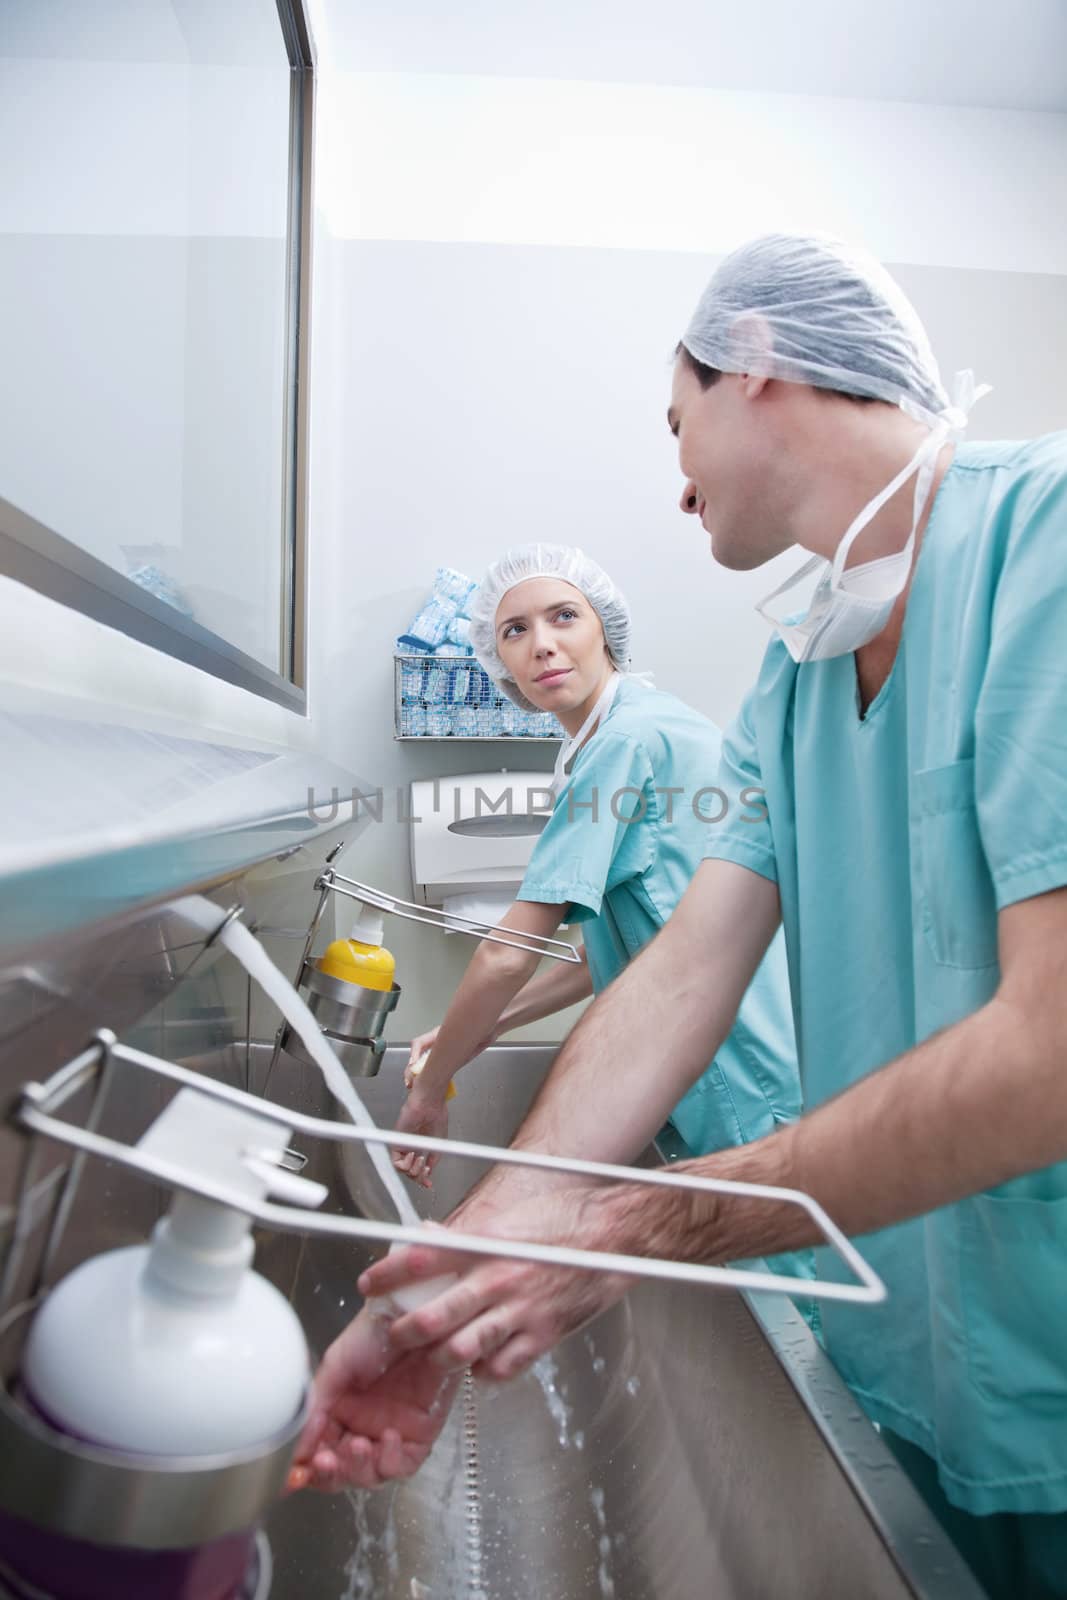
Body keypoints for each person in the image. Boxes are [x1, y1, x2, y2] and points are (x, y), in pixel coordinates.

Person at [291, 233, 1067, 1599]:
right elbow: (666, 975)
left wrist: (626, 1228)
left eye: (676, 419)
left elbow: (1047, 1047)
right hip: (906, 1357)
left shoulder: (1043, 548)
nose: (673, 475)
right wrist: (476, 1262)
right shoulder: (792, 677)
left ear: (753, 362)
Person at [391, 542, 800, 1195]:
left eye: (563, 617)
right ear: (500, 665)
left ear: (604, 630)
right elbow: (604, 956)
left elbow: (506, 955)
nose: (542, 645)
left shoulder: (623, 742)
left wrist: (431, 1089)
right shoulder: (632, 730)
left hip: (738, 1065)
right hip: (749, 1057)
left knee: (790, 1288)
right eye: (514, 631)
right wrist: (469, 1033)